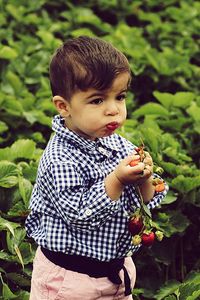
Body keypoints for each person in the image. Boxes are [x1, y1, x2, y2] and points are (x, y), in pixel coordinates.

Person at [25, 36, 168, 300]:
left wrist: (144, 179)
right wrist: (117, 180)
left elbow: (149, 199)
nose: (113, 110)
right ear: (64, 106)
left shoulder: (117, 144)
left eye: (120, 96)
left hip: (117, 272)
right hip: (69, 281)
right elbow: (81, 216)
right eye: (97, 100)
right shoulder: (60, 158)